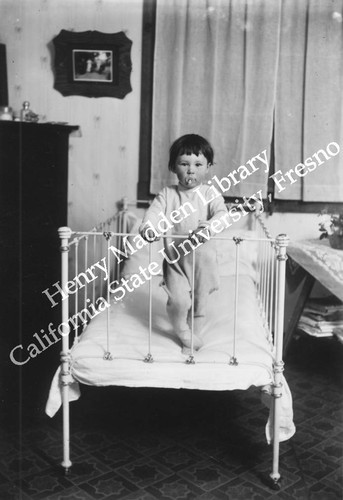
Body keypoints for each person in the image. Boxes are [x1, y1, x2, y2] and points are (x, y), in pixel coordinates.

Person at [139, 134, 227, 353]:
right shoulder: (167, 195)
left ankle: (191, 341)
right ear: (172, 166)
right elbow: (153, 215)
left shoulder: (210, 193)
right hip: (176, 261)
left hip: (202, 262)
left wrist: (208, 228)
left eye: (198, 164)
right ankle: (182, 332)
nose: (191, 170)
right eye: (184, 164)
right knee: (179, 302)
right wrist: (149, 228)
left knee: (199, 302)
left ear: (208, 168)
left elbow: (222, 215)